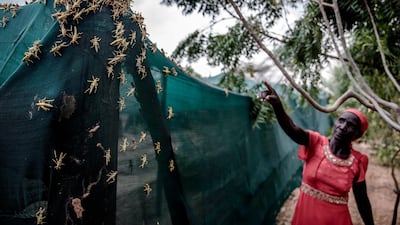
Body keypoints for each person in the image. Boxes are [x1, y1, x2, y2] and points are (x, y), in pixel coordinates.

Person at [258, 81, 374, 225]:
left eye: (350, 125)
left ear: (358, 134)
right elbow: (292, 129)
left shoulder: (358, 161)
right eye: (341, 121)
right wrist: (278, 106)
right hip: (305, 217)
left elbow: (362, 200)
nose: (343, 127)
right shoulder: (315, 142)